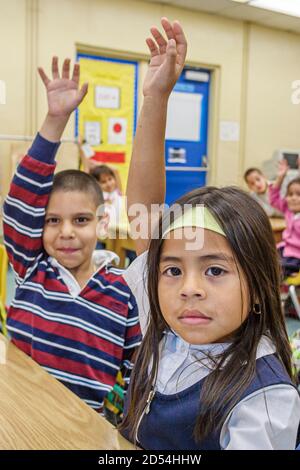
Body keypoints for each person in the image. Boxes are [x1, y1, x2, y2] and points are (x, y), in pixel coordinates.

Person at [119, 18, 300, 449]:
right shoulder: (167, 330)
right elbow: (143, 215)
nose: (189, 289)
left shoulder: (264, 399)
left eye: (215, 270)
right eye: (172, 271)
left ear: (259, 286)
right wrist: (155, 98)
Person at [3, 57, 141, 416]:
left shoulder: (123, 290)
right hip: (16, 411)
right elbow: (21, 200)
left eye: (80, 220)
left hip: (82, 424)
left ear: (101, 221)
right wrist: (55, 121)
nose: (66, 232)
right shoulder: (32, 269)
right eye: (52, 220)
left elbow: (138, 369)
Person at [269, 159, 300, 277]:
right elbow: (273, 198)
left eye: (298, 195)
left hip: (296, 258)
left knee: (277, 270)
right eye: (290, 194)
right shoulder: (289, 210)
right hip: (284, 250)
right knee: (264, 260)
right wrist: (280, 178)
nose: (293, 198)